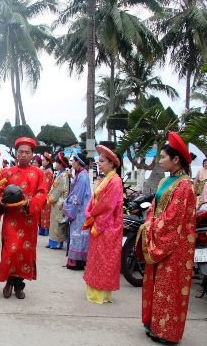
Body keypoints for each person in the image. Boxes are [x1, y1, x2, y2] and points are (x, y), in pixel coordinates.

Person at [136, 132, 197, 343]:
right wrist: (149, 224)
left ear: (176, 159)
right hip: (161, 239)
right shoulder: (166, 181)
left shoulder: (185, 185)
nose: (160, 160)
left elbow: (173, 219)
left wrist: (150, 229)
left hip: (176, 246)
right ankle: (153, 325)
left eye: (163, 157)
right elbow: (154, 207)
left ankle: (167, 332)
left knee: (169, 288)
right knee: (156, 285)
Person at [0, 137, 46, 300]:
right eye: (20, 152)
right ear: (16, 154)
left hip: (28, 219)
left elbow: (42, 193)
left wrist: (30, 203)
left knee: (25, 252)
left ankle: (19, 285)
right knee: (11, 250)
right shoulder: (7, 172)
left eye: (27, 152)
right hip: (12, 218)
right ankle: (8, 282)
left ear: (32, 155)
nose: (23, 155)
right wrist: (1, 200)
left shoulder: (39, 173)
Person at [82, 145, 123, 304]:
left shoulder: (115, 181)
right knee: (97, 258)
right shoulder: (104, 179)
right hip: (99, 223)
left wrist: (94, 220)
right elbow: (94, 200)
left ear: (111, 164)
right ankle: (94, 291)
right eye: (99, 161)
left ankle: (101, 294)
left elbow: (107, 205)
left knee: (105, 259)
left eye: (102, 161)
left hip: (108, 226)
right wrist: (89, 213)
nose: (99, 164)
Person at [63, 152, 91, 270]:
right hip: (80, 209)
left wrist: (67, 204)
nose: (71, 162)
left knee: (78, 235)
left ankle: (76, 262)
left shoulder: (82, 176)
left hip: (79, 210)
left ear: (78, 162)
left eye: (73, 160)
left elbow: (77, 196)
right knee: (79, 235)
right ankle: (77, 261)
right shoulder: (81, 174)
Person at [46, 152, 70, 249]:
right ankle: (52, 242)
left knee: (57, 223)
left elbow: (59, 190)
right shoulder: (62, 174)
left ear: (61, 164)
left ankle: (57, 243)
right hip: (57, 201)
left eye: (57, 163)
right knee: (54, 223)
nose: (55, 164)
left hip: (59, 202)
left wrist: (50, 197)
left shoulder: (63, 175)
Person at [39, 152, 54, 236]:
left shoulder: (49, 172)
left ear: (48, 162)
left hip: (46, 195)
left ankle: (45, 231)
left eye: (44, 160)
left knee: (46, 214)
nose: (42, 161)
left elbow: (47, 185)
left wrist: (44, 195)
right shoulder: (46, 171)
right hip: (44, 194)